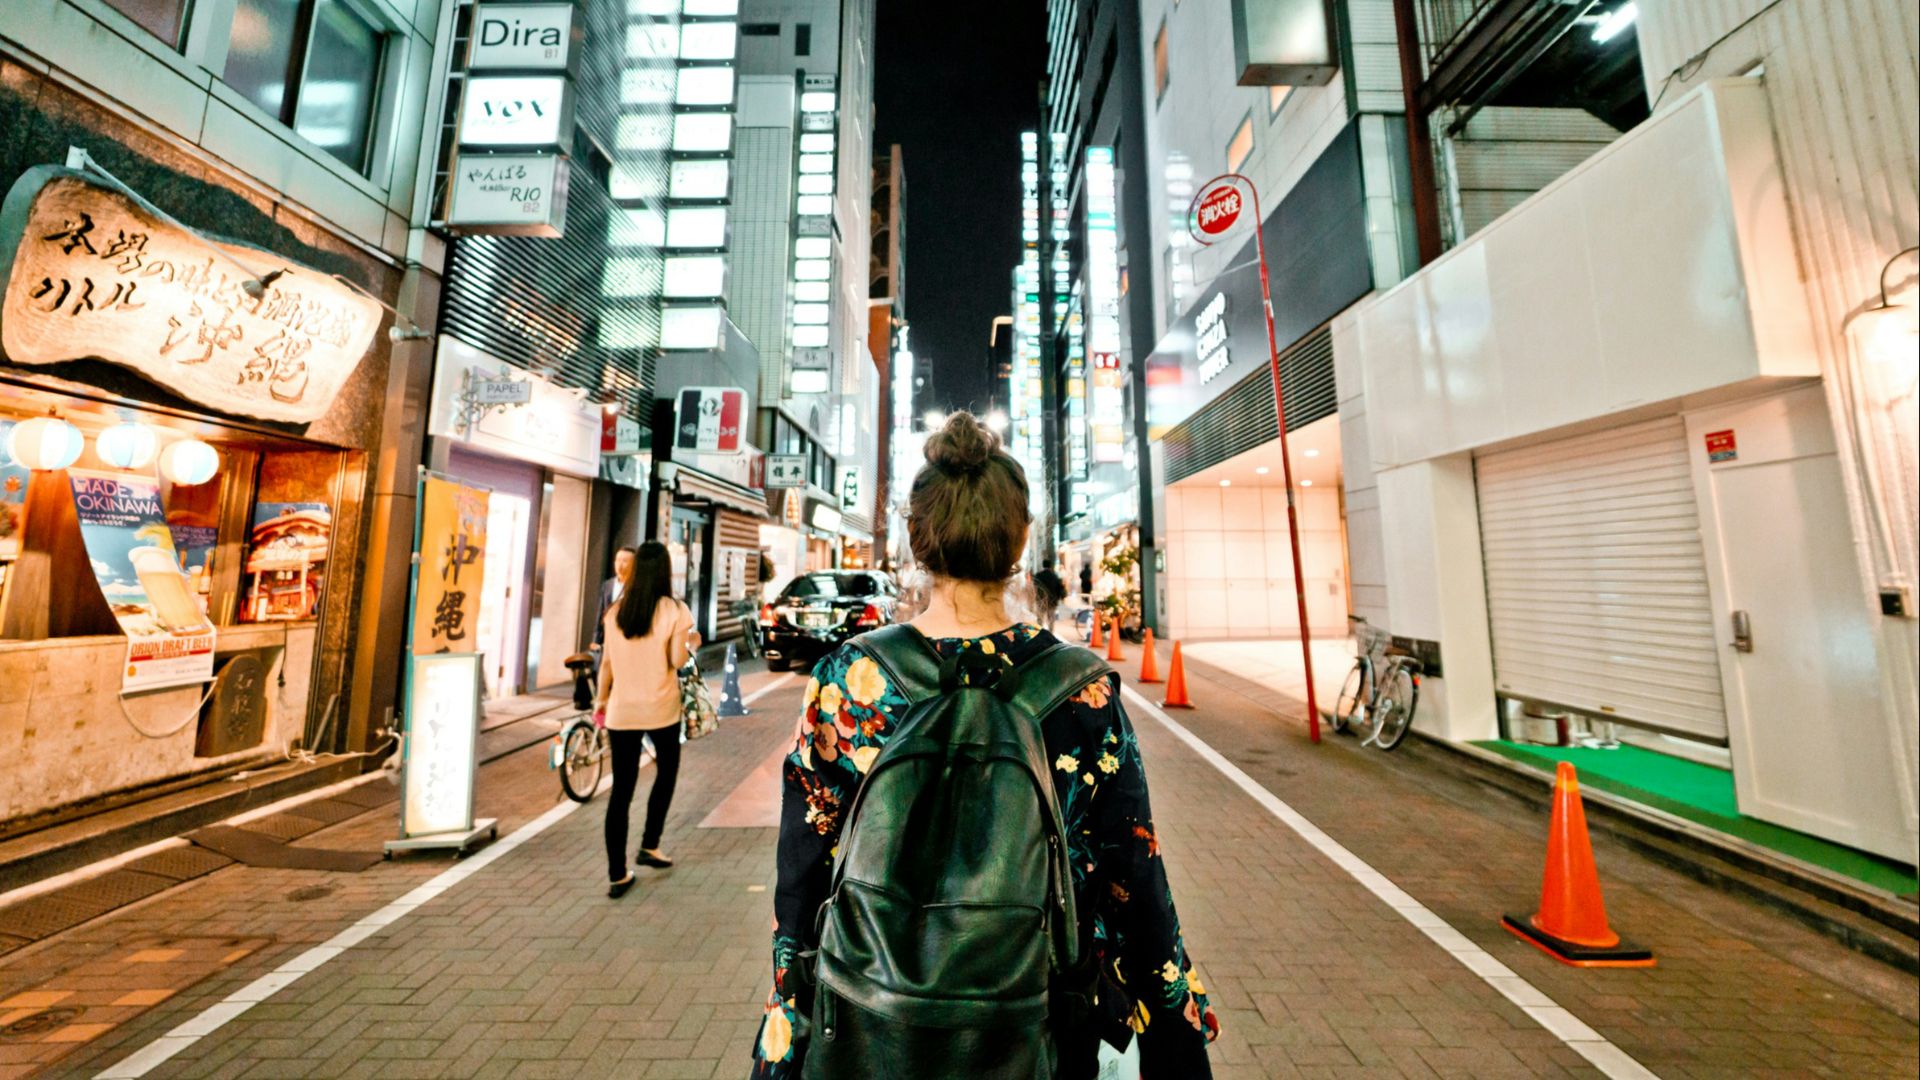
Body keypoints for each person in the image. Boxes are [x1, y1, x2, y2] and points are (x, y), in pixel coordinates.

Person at [750, 412, 1218, 1078]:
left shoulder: (850, 682)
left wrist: (787, 1024)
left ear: (917, 540)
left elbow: (803, 871)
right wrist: (1175, 1018)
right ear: (1021, 538)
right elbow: (1135, 875)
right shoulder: (1081, 690)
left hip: (872, 1023)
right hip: (1041, 1023)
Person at [596, 541, 700, 898]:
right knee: (666, 773)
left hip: (621, 710)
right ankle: (650, 843)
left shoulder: (615, 612)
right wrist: (692, 644)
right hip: (661, 708)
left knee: (620, 792)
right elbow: (676, 660)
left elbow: (607, 664)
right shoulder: (675, 611)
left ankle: (617, 874)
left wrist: (600, 701)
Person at [593, 546, 637, 651]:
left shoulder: (636, 587)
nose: (620, 564)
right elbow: (600, 613)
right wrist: (595, 640)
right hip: (607, 639)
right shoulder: (608, 585)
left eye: (625, 561)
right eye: (617, 560)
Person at [1031, 566, 1066, 631]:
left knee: (1040, 619)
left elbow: (1034, 587)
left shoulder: (1039, 575)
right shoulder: (1054, 576)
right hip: (1052, 601)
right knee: (1051, 619)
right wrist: (1059, 598)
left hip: (1041, 600)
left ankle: (1039, 633)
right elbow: (1059, 588)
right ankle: (1050, 633)